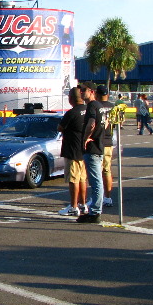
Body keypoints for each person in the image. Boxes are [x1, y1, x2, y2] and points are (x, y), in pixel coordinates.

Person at [79, 82, 110, 223]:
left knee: (96, 180)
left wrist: (86, 138)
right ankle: (95, 209)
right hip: (99, 146)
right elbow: (107, 123)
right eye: (80, 90)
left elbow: (92, 123)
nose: (81, 92)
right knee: (96, 180)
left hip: (93, 148)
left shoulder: (92, 105)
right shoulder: (100, 106)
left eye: (83, 90)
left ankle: (95, 212)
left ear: (91, 91)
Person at [57, 87, 88, 217]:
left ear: (71, 99)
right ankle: (83, 204)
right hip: (84, 150)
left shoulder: (71, 113)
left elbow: (60, 128)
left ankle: (74, 206)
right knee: (82, 179)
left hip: (72, 150)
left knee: (73, 180)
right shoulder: (88, 111)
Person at [97, 85, 116, 207]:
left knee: (96, 171)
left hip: (98, 140)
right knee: (107, 170)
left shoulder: (96, 106)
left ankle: (97, 197)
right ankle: (108, 197)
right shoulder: (113, 107)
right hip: (109, 140)